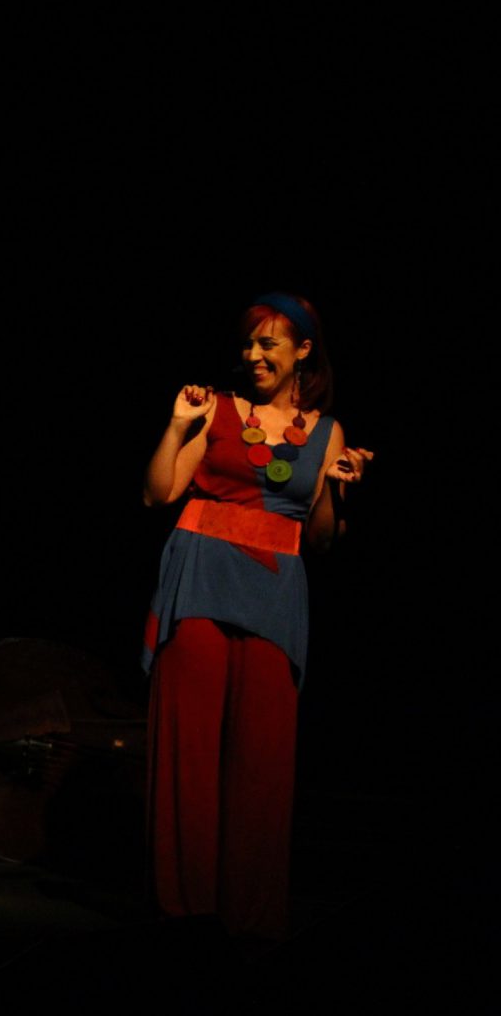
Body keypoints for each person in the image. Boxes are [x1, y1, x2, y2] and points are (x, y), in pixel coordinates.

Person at [141, 292, 372, 939]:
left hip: (273, 595)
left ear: (303, 351)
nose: (253, 355)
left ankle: (250, 928)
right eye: (248, 344)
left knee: (261, 764)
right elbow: (158, 492)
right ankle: (182, 917)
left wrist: (337, 488)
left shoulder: (326, 432)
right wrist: (177, 426)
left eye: (268, 343)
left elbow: (321, 539)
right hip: (199, 581)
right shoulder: (215, 408)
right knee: (188, 752)